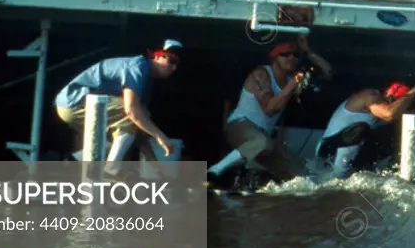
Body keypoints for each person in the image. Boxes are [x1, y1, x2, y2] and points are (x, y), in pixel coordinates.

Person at [205, 36, 333, 188]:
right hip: (240, 126)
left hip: (264, 139)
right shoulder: (262, 74)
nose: (291, 58)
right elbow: (270, 109)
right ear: (274, 56)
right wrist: (292, 85)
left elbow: (328, 73)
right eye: (285, 54)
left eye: (295, 55)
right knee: (262, 143)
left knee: (304, 178)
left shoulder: (291, 79)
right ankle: (213, 172)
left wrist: (308, 52)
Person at [53, 39, 182, 172]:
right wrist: (160, 136)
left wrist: (156, 166)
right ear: (157, 56)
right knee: (135, 113)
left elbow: (139, 130)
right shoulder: (137, 67)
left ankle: (75, 159)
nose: (174, 68)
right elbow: (132, 111)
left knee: (131, 126)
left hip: (87, 107)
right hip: (74, 101)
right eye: (171, 61)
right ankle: (111, 169)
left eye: (177, 64)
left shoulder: (146, 83)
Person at [315, 82, 415, 178]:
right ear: (386, 93)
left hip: (350, 156)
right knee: (361, 129)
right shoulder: (370, 96)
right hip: (330, 150)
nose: (396, 106)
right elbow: (390, 114)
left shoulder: (382, 111)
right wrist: (412, 94)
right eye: (393, 101)